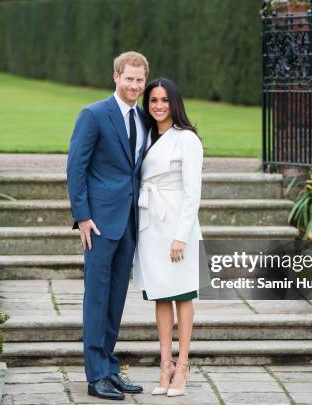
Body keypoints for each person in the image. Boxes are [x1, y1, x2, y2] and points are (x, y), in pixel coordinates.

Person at [66, 51, 149, 401]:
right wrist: (82, 215)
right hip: (98, 224)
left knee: (115, 298)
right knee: (97, 297)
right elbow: (75, 167)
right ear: (115, 76)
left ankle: (110, 368)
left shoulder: (144, 119)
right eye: (128, 78)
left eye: (139, 80)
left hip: (130, 221)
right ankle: (95, 375)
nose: (134, 85)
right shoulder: (94, 114)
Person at [134, 78, 203, 397]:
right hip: (151, 224)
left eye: (164, 100)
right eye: (153, 100)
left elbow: (192, 193)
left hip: (177, 223)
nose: (158, 106)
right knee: (161, 295)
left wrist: (181, 237)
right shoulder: (145, 136)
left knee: (183, 295)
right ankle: (165, 365)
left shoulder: (186, 139)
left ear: (174, 103)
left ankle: (184, 365)